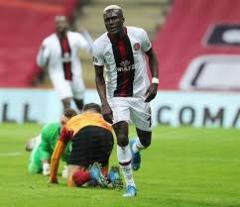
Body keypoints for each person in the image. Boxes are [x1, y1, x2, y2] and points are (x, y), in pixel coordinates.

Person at [92, 5, 159, 197]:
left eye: (114, 18)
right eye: (107, 20)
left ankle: (136, 147)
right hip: (117, 97)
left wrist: (154, 82)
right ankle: (131, 185)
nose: (111, 22)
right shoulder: (99, 45)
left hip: (140, 95)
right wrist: (104, 103)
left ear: (122, 19)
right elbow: (98, 77)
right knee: (121, 136)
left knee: (146, 141)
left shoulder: (139, 35)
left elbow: (152, 55)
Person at [49, 103, 122, 189]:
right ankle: (111, 176)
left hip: (84, 132)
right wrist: (104, 173)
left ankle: (92, 174)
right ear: (99, 113)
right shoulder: (105, 121)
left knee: (72, 181)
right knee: (97, 182)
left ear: (83, 112)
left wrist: (53, 178)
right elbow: (104, 162)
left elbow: (55, 156)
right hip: (108, 135)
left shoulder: (74, 120)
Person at [36, 15, 93, 111]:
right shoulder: (48, 42)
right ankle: (67, 123)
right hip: (58, 75)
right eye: (58, 23)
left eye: (62, 22)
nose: (60, 25)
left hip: (75, 74)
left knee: (79, 102)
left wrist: (85, 34)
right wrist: (41, 51)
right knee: (66, 100)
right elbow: (41, 63)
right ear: (55, 25)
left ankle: (80, 121)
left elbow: (90, 49)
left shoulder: (75, 37)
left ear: (67, 24)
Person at [28, 108, 77, 175]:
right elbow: (45, 149)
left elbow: (78, 156)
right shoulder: (49, 130)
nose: (64, 127)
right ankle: (37, 141)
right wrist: (46, 164)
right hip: (51, 146)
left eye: (68, 124)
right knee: (34, 169)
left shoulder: (80, 135)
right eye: (62, 123)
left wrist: (71, 168)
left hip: (65, 152)